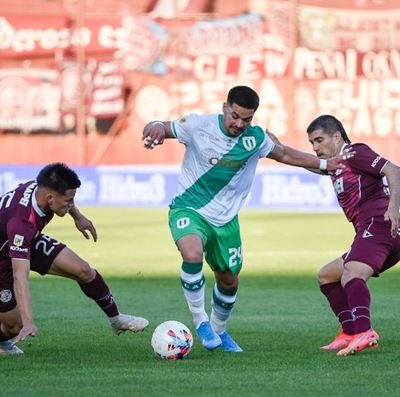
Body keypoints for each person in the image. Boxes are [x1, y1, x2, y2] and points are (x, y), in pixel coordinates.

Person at [142, 86, 350, 352]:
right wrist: (156, 127)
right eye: (235, 116)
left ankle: (219, 329)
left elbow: (285, 153)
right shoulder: (198, 125)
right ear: (224, 107)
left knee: (229, 279)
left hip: (226, 219)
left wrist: (324, 166)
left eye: (247, 119)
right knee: (192, 254)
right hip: (189, 208)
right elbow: (161, 125)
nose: (239, 124)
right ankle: (201, 321)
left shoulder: (256, 138)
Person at [0, 163, 149, 355]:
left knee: (83, 270)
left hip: (25, 239)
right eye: (68, 200)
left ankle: (116, 319)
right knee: (14, 326)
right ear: (50, 198)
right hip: (4, 256)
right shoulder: (21, 221)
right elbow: (20, 276)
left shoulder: (41, 191)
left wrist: (78, 217)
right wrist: (28, 322)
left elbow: (63, 202)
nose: (70, 204)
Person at [306, 114, 400, 356]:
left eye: (319, 140)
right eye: (312, 143)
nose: (316, 148)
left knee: (352, 274)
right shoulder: (338, 164)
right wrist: (279, 151)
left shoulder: (354, 153)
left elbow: (393, 169)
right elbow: (313, 165)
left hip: (380, 224)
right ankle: (349, 332)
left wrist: (393, 206)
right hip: (373, 230)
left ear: (336, 137)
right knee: (328, 276)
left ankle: (364, 331)